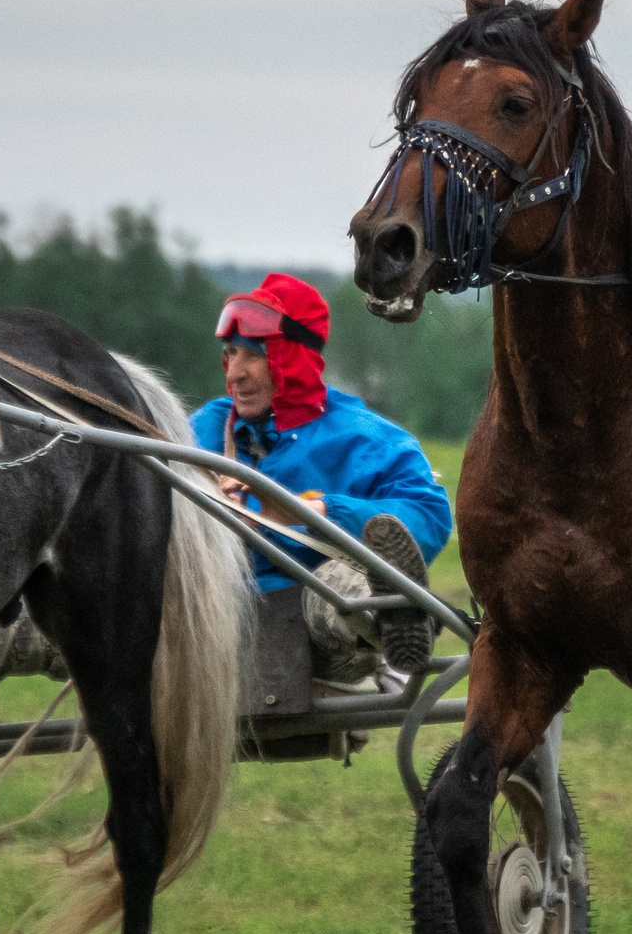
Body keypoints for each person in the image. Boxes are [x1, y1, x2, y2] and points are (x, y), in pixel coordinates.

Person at [191, 273, 452, 682]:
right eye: (231, 354)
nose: (235, 373)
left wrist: (320, 513)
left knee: (342, 584)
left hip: (312, 625)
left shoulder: (365, 438)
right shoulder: (201, 430)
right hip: (206, 613)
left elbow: (429, 514)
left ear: (291, 359)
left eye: (253, 355)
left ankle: (393, 616)